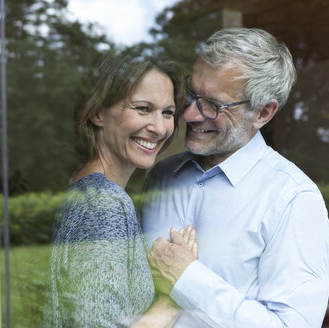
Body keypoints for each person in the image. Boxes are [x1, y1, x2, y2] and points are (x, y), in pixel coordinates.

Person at [142, 28, 329, 327]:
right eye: (191, 95)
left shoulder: (294, 201)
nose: (190, 115)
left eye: (213, 105)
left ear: (263, 112)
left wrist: (186, 279)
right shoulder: (162, 175)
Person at [44, 54, 197, 328]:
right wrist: (176, 293)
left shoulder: (82, 186)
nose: (159, 127)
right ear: (98, 113)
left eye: (168, 112)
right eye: (142, 108)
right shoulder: (106, 204)